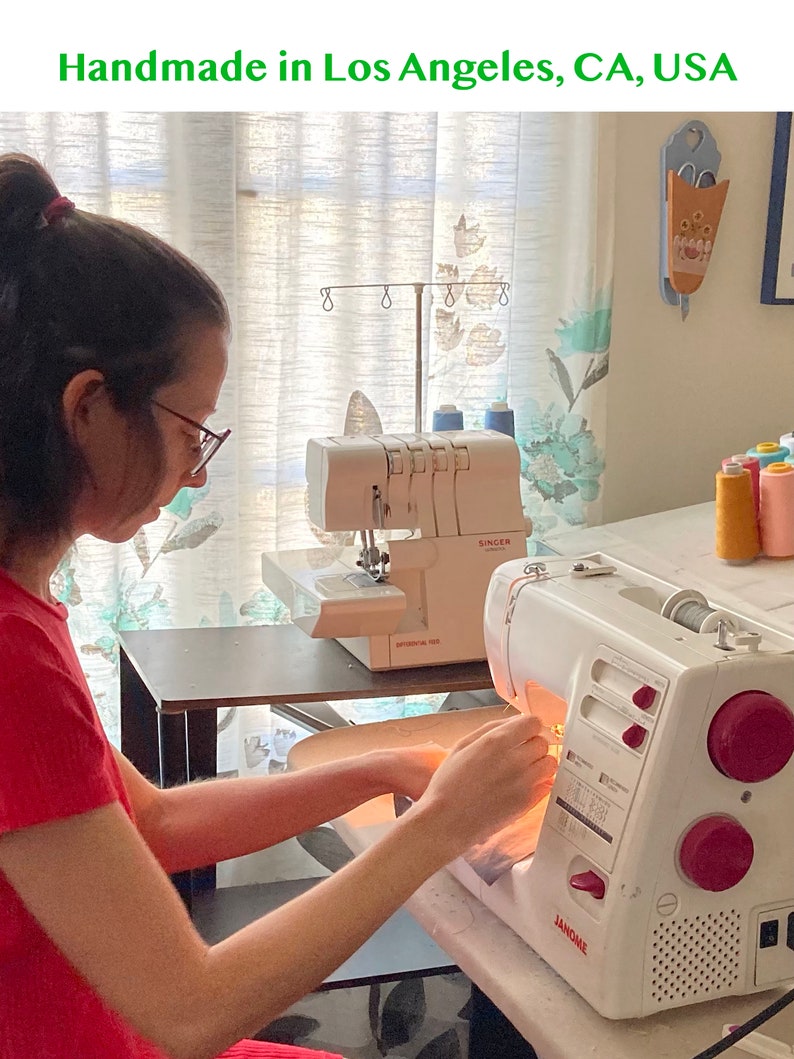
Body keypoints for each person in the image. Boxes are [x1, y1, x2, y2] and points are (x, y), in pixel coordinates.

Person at [0, 152, 558, 1059]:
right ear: (88, 407)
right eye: (193, 431)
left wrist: (384, 771)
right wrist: (444, 824)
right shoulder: (11, 660)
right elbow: (192, 1009)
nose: (198, 469)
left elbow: (153, 823)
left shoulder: (24, 612)